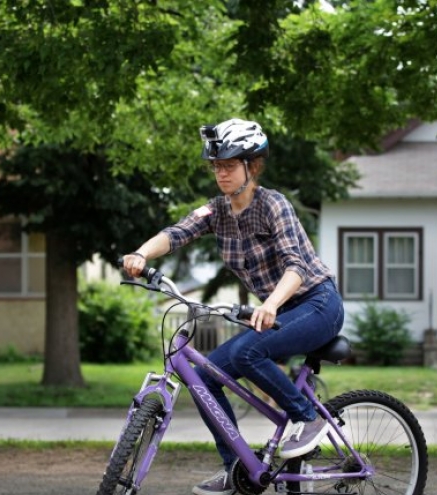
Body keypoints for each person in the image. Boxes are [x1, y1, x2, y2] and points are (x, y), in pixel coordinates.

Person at [122, 118, 345, 495]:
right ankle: (237, 469)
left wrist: (272, 303)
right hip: (281, 311)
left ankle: (308, 420)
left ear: (251, 166)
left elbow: (297, 266)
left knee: (247, 352)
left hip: (317, 302)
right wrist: (141, 253)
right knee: (206, 379)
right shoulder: (216, 212)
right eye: (216, 166)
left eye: (228, 165)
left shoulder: (273, 204)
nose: (220, 173)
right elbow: (177, 233)